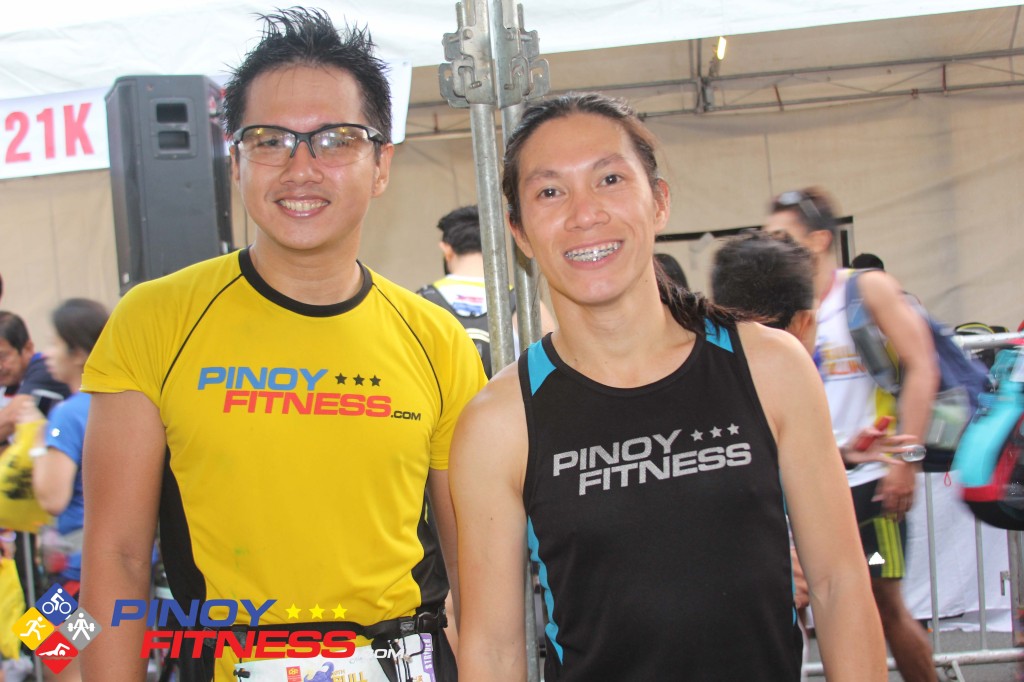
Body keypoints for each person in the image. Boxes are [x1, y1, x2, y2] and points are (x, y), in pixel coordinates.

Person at [79, 9, 485, 682]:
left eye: (336, 140)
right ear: (236, 162)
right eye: (269, 140)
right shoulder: (155, 320)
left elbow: (477, 571)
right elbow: (115, 557)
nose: (301, 167)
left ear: (381, 165)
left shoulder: (435, 337)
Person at [451, 93, 886, 681]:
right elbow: (494, 649)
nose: (584, 213)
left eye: (609, 179)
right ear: (520, 231)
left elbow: (838, 584)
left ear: (658, 201)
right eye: (550, 191)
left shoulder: (769, 367)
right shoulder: (499, 422)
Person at [766, 187, 940, 682]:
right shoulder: (777, 302)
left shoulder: (865, 290)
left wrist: (906, 459)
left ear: (819, 240)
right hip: (800, 489)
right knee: (789, 609)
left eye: (783, 236)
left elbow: (922, 366)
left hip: (868, 490)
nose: (773, 246)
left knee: (884, 604)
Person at [17, 299, 108, 682]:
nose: (47, 354)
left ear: (79, 352)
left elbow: (52, 498)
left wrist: (37, 442)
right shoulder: (116, 402)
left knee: (58, 659)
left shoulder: (68, 414)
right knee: (39, 636)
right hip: (119, 566)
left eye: (55, 343)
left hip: (77, 572)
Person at [418, 204, 555, 377]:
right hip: (508, 393)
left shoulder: (422, 300)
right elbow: (553, 365)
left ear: (446, 249)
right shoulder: (523, 303)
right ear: (493, 246)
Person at [0, 312, 70, 446]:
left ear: (28, 348)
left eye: (2, 356)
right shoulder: (9, 381)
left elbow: (11, 418)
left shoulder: (47, 369)